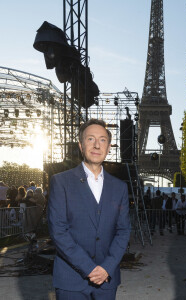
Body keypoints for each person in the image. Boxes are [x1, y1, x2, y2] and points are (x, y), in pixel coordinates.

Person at [47, 119, 131, 300]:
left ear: (109, 147)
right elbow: (58, 231)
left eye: (102, 140)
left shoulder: (119, 187)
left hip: (107, 279)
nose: (96, 145)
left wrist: (106, 267)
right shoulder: (60, 182)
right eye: (90, 139)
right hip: (71, 279)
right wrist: (90, 268)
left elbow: (123, 231)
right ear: (81, 145)